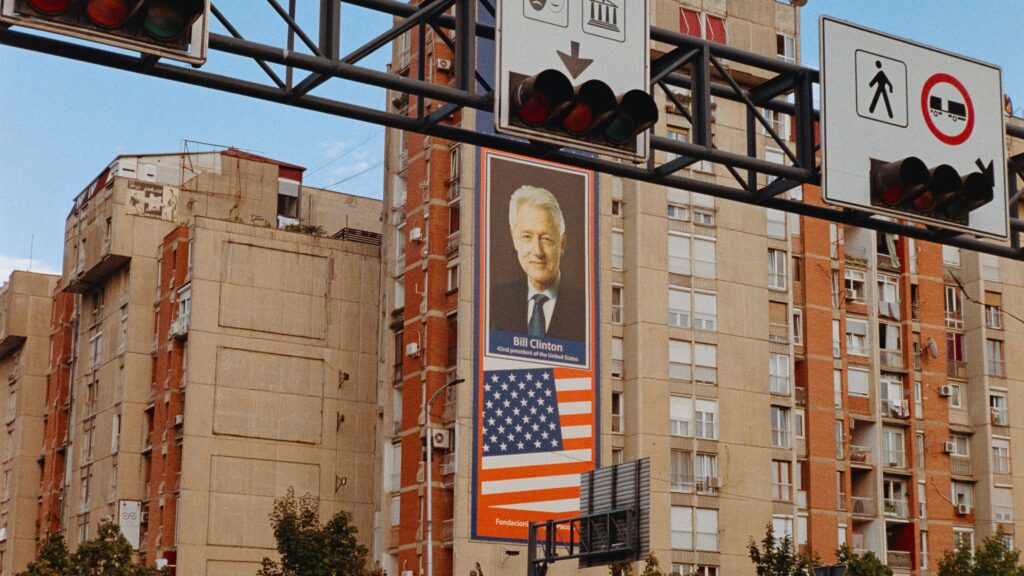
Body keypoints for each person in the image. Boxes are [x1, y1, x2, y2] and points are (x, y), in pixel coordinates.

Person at [490, 185, 585, 342]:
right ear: (514, 239)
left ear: (562, 244)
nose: (538, 251)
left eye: (546, 239)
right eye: (527, 237)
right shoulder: (494, 302)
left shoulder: (585, 309)